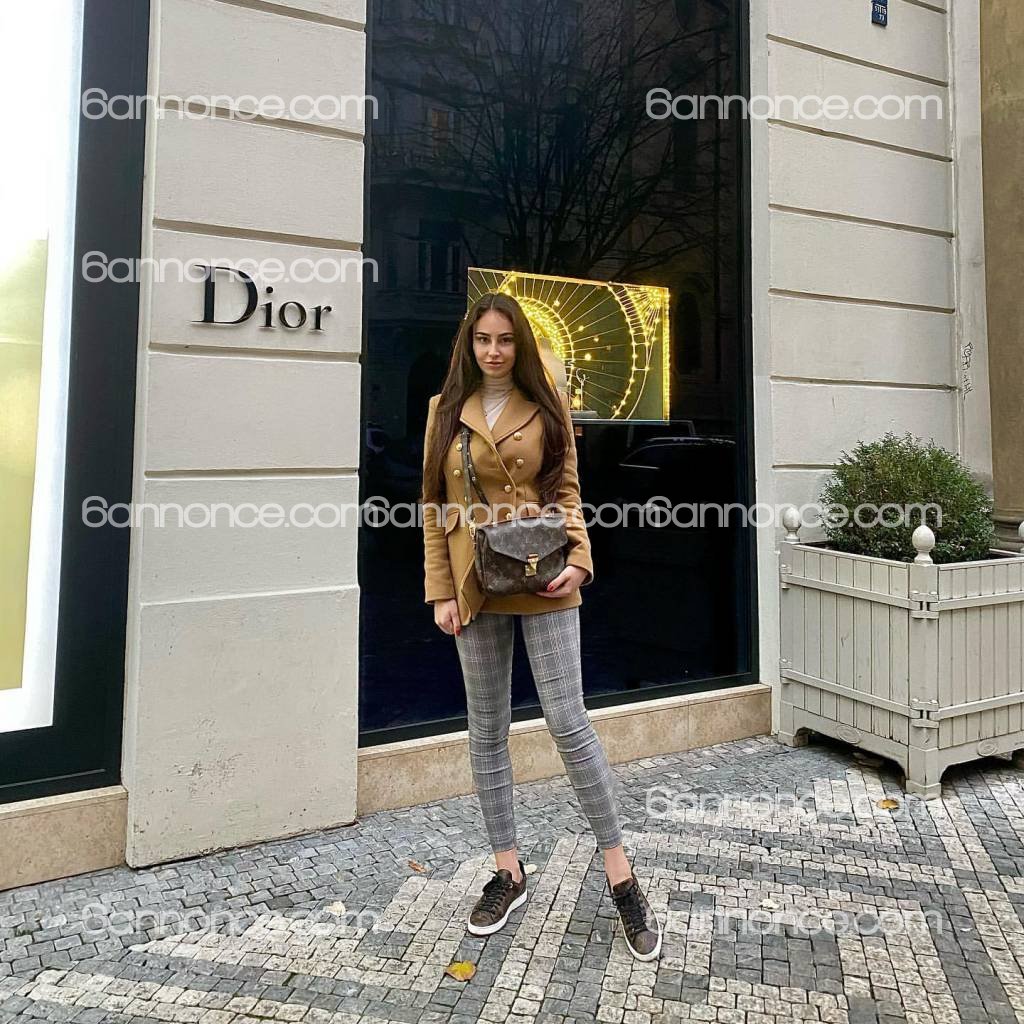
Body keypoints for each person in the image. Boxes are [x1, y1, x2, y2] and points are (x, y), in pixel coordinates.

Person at [420, 292, 662, 961]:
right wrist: (440, 590)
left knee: (569, 722)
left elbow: (566, 491)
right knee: (486, 728)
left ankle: (620, 875)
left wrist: (581, 559)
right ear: (468, 344)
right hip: (474, 584)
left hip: (543, 575)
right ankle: (508, 871)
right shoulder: (444, 410)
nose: (493, 351)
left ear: (520, 344)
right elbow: (433, 504)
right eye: (483, 340)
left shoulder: (548, 403)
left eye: (505, 340)